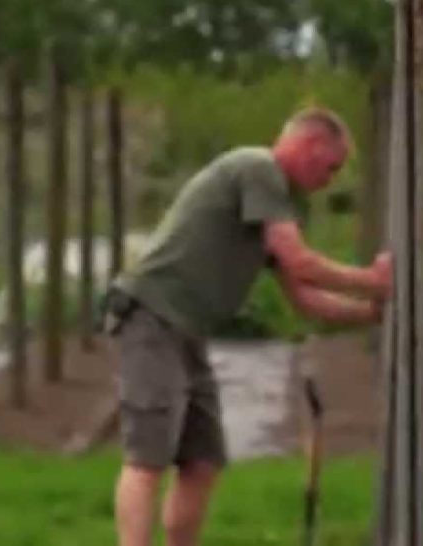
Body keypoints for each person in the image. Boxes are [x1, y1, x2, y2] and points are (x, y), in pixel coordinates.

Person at [101, 106, 392, 546]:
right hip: (153, 317)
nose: (329, 180)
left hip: (189, 332)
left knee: (201, 460)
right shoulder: (258, 168)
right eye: (331, 167)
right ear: (311, 145)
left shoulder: (278, 201)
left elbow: (305, 298)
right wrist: (372, 281)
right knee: (148, 457)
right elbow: (300, 261)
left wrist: (374, 312)